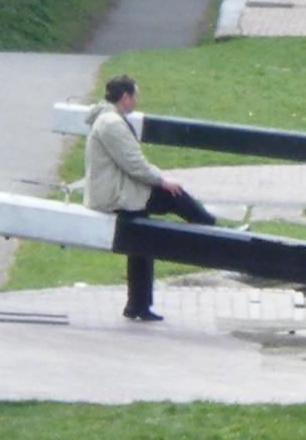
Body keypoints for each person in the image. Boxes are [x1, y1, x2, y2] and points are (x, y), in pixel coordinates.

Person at [84, 73, 218, 321]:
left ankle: (137, 305)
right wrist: (162, 181)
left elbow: (134, 163)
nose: (136, 101)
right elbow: (134, 163)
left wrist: (159, 177)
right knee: (172, 195)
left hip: (116, 192)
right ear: (125, 97)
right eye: (135, 96)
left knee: (143, 244)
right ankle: (212, 230)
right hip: (116, 197)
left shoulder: (106, 118)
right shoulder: (112, 123)